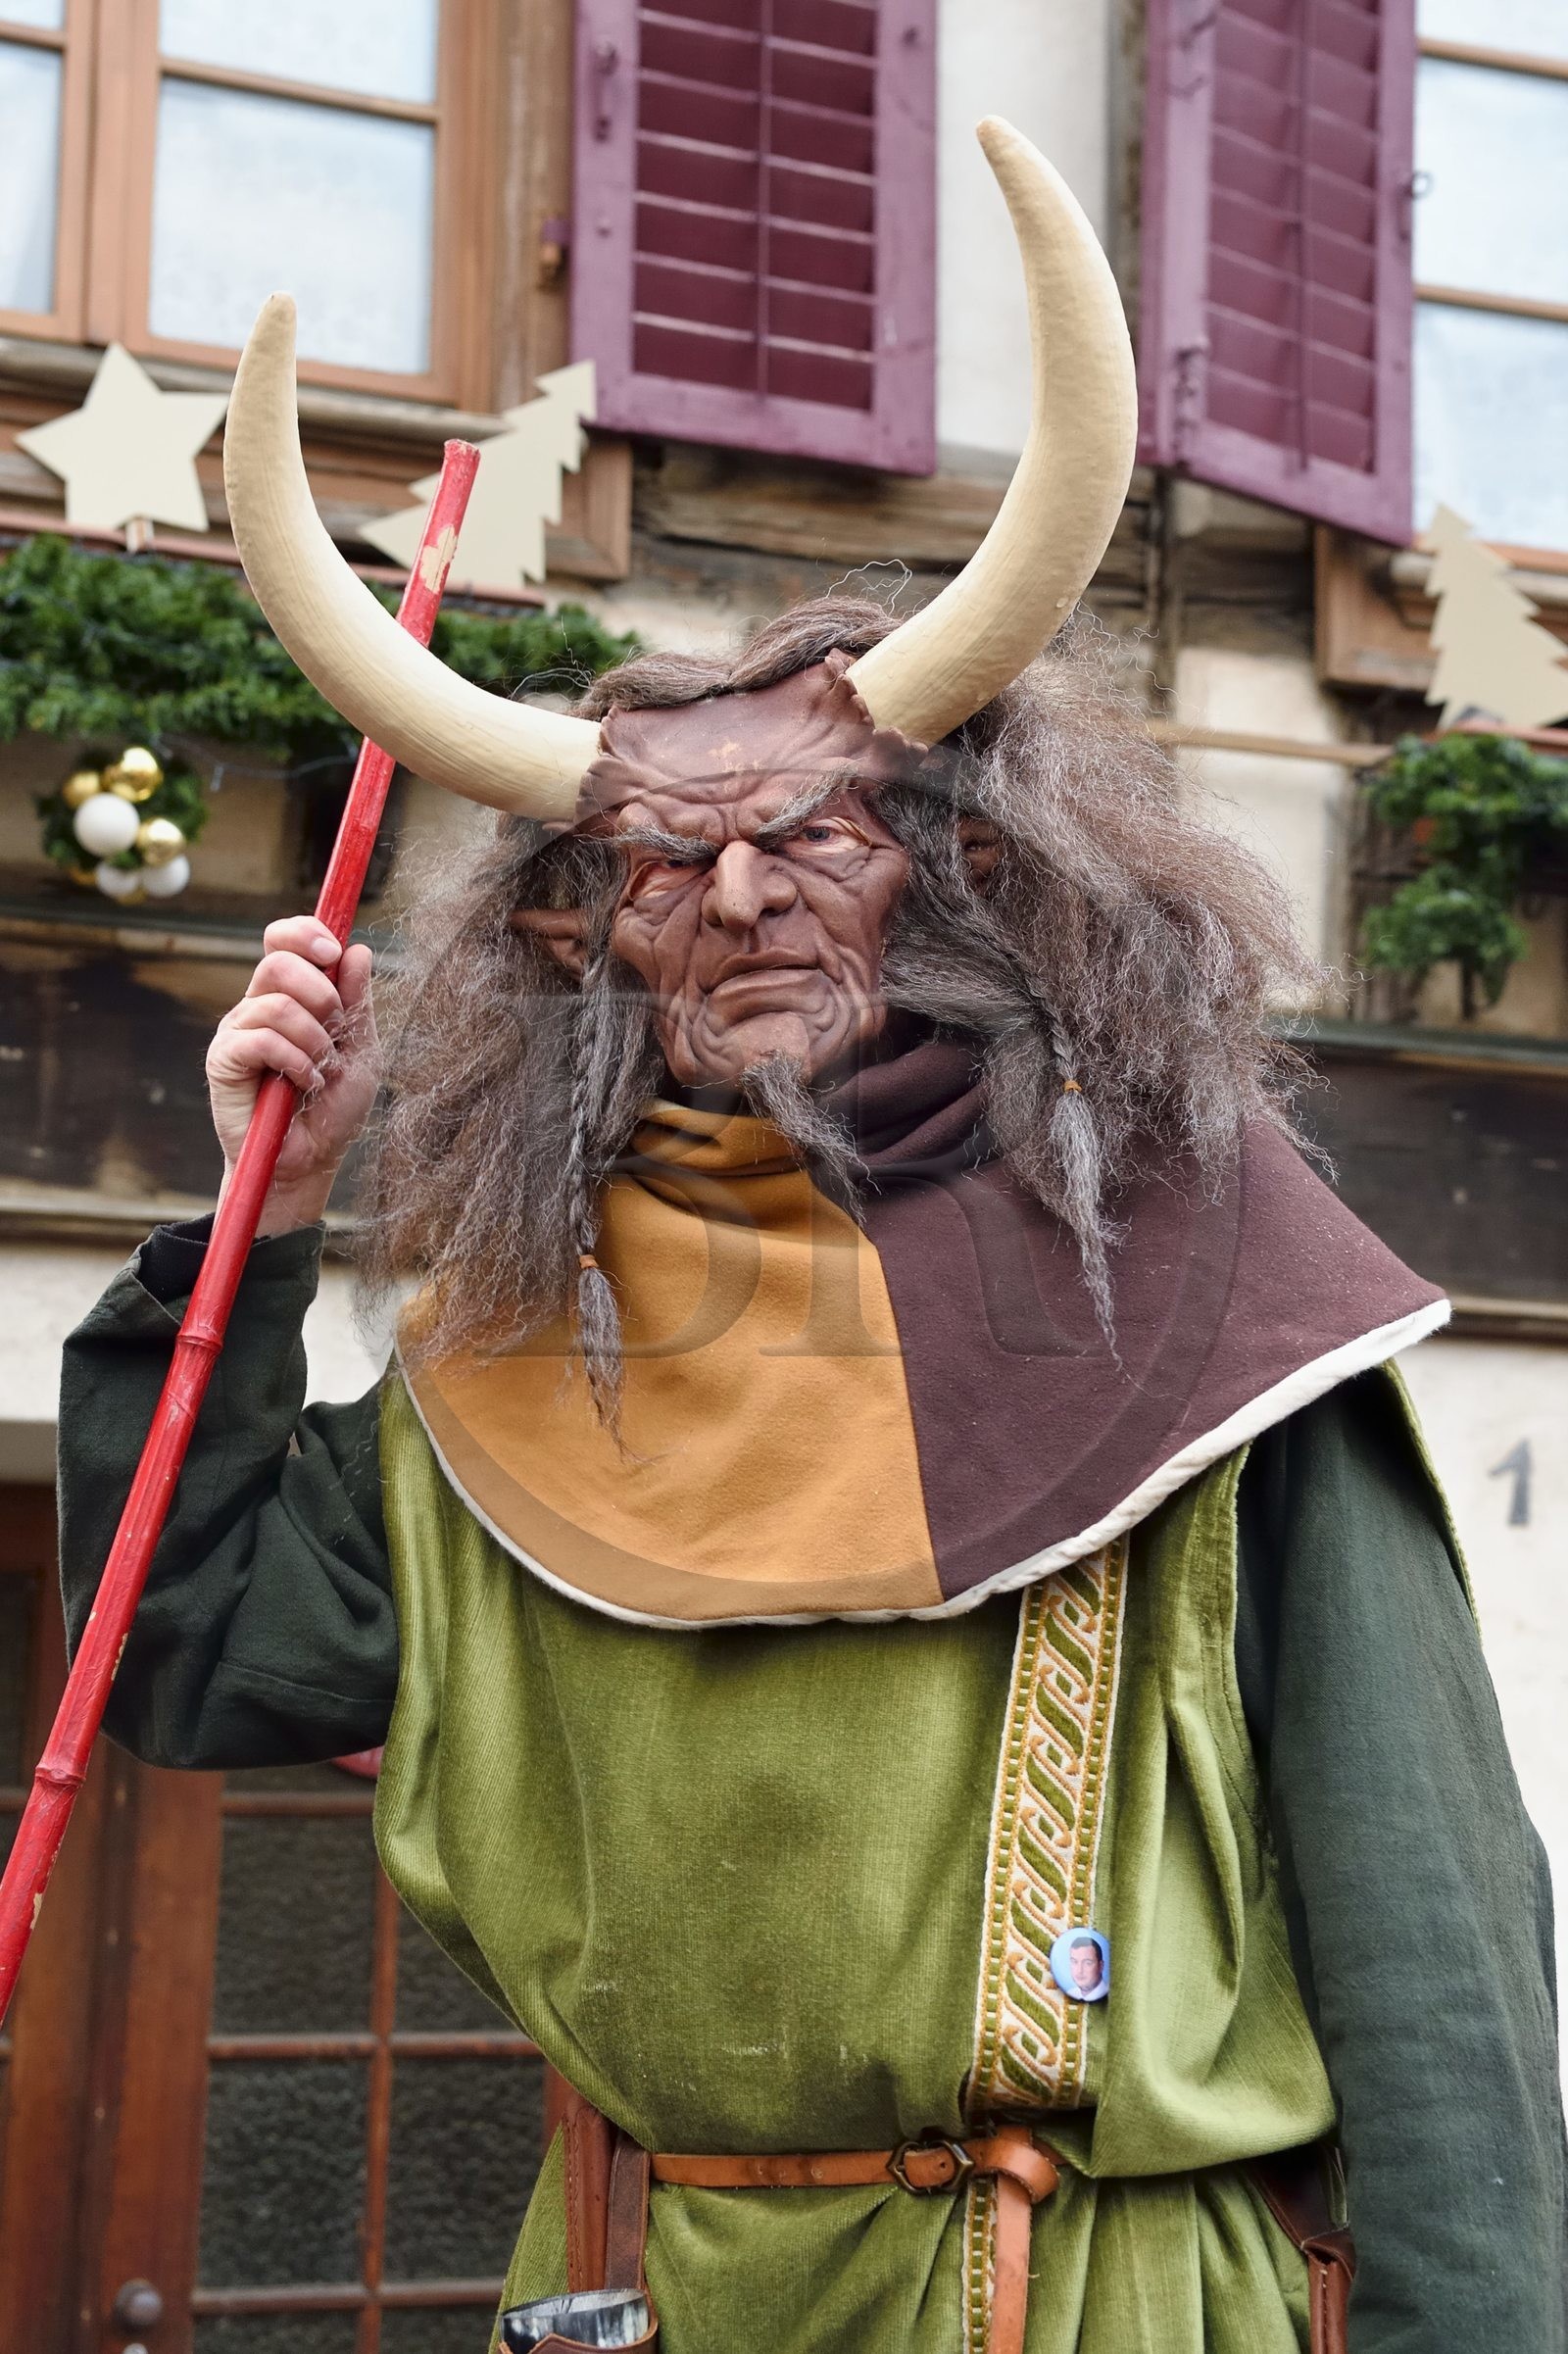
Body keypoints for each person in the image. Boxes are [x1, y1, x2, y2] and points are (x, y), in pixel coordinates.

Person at [58, 121, 1565, 2354]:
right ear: (583, 937)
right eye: (665, 865)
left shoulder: (1211, 1293)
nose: (743, 897)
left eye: (819, 834)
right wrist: (258, 1236)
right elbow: (182, 1656)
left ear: (958, 861)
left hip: (1093, 2304)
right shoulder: (513, 1356)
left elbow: (1436, 1969)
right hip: (629, 2292)